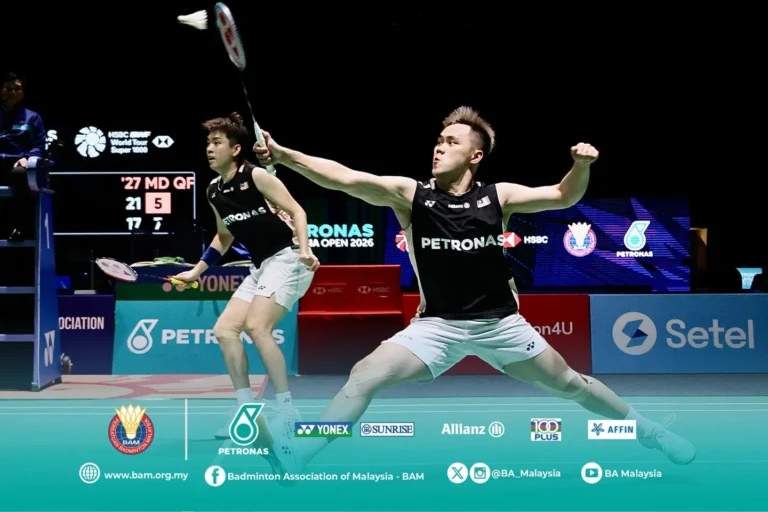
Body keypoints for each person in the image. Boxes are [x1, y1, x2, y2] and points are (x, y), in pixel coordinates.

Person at [254, 106, 697, 472]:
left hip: (500, 325)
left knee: (570, 384)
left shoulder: (498, 197)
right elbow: (345, 177)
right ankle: (302, 454)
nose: (439, 147)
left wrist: (581, 166)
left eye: (451, 142)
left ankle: (650, 431)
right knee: (363, 376)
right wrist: (285, 155)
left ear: (475, 156)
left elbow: (564, 196)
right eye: (438, 140)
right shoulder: (411, 195)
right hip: (437, 327)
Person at [172, 113, 319, 442]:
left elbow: (297, 211)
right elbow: (224, 236)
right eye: (208, 143)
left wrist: (305, 249)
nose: (209, 149)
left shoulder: (256, 176)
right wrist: (196, 271)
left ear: (236, 149)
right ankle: (246, 412)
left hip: (289, 258)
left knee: (257, 326)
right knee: (224, 330)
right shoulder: (213, 191)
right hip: (262, 265)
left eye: (217, 143)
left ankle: (287, 410)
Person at [0, 71, 47, 241]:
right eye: (8, 88)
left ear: (23, 92)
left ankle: (18, 228)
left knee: (20, 174)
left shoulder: (33, 117)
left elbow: (40, 145)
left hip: (19, 163)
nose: (13, 92)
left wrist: (28, 157)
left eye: (17, 88)